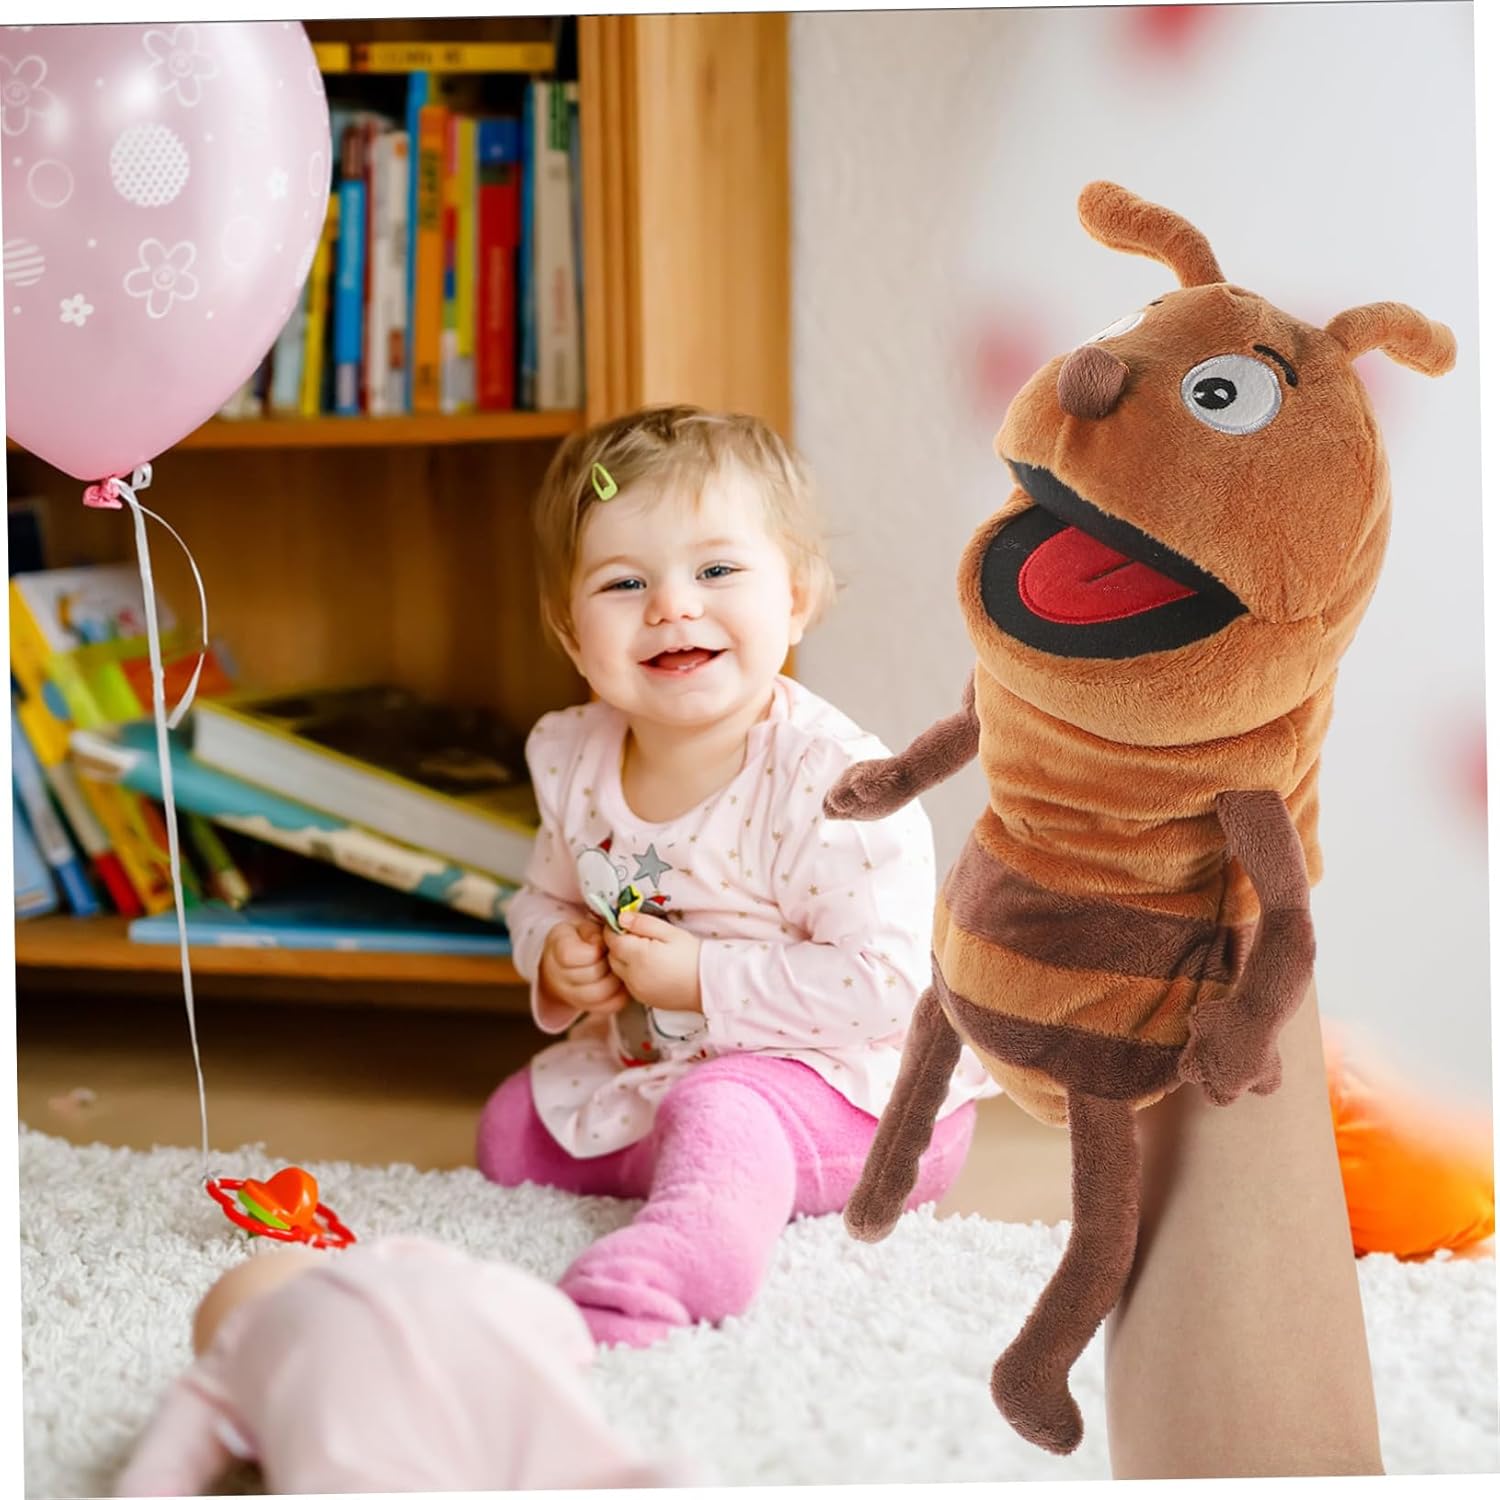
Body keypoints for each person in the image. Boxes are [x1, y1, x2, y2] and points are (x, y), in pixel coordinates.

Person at [476, 404, 994, 1348]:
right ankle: (705, 1165)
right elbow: (543, 895)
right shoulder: (573, 755)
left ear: (794, 597)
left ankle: (685, 1257)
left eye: (716, 571)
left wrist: (703, 979)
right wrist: (554, 951)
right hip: (668, 1065)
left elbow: (887, 984)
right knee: (512, 1131)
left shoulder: (832, 782)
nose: (672, 607)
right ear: (570, 633)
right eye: (624, 582)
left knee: (722, 1110)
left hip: (856, 1093)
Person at [114, 1237, 684, 1495]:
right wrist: (563, 1354)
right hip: (496, 1375)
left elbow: (162, 1469)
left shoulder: (233, 1352)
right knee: (590, 1471)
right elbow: (558, 1322)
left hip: (366, 1459)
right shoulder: (422, 1264)